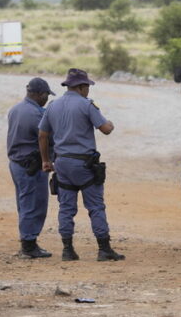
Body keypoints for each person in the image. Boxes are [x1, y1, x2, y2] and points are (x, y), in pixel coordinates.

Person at [39, 68, 124, 262]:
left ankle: (67, 250)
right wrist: (110, 122)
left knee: (66, 208)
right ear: (81, 87)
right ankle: (104, 249)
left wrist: (46, 160)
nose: (88, 90)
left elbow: (42, 135)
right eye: (87, 87)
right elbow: (106, 129)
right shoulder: (87, 105)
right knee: (95, 206)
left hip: (62, 163)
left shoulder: (53, 106)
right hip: (84, 164)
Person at [7, 77, 55, 259]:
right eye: (46, 95)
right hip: (31, 166)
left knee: (24, 203)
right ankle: (28, 246)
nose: (47, 99)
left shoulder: (15, 109)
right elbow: (47, 138)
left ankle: (28, 242)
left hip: (17, 164)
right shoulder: (36, 114)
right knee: (34, 204)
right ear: (40, 94)